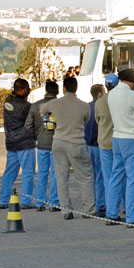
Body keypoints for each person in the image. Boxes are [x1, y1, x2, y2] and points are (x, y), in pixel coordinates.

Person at [39, 77, 95, 220]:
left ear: (64, 88)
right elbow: (86, 120)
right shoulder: (84, 105)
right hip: (77, 142)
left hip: (58, 141)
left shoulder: (55, 103)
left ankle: (66, 210)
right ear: (76, 88)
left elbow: (42, 111)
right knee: (84, 177)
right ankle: (89, 209)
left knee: (61, 177)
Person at [106, 69, 134, 227]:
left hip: (117, 137)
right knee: (133, 179)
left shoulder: (111, 94)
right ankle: (132, 217)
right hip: (133, 138)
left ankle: (111, 213)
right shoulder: (132, 96)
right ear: (133, 82)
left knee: (116, 176)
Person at [0, 79, 35, 210]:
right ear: (22, 89)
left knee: (9, 172)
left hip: (11, 142)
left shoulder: (8, 101)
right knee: (28, 172)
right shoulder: (26, 106)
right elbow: (32, 124)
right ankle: (25, 200)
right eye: (27, 89)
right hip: (25, 143)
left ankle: (3, 200)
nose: (28, 91)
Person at [25, 80, 61, 212]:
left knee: (42, 173)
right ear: (57, 92)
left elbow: (28, 126)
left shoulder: (35, 106)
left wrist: (37, 136)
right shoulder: (59, 105)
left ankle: (39, 202)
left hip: (41, 144)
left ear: (45, 90)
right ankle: (54, 202)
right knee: (55, 174)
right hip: (56, 143)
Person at [95, 74, 120, 216]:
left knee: (108, 178)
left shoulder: (99, 102)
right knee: (122, 176)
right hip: (119, 141)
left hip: (104, 142)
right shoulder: (121, 99)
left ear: (106, 86)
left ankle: (111, 208)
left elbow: (97, 120)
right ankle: (124, 206)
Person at [84, 83, 106, 217]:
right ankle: (100, 203)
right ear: (99, 94)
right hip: (98, 145)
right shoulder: (101, 106)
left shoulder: (86, 107)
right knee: (100, 176)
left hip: (87, 144)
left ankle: (90, 203)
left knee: (89, 176)